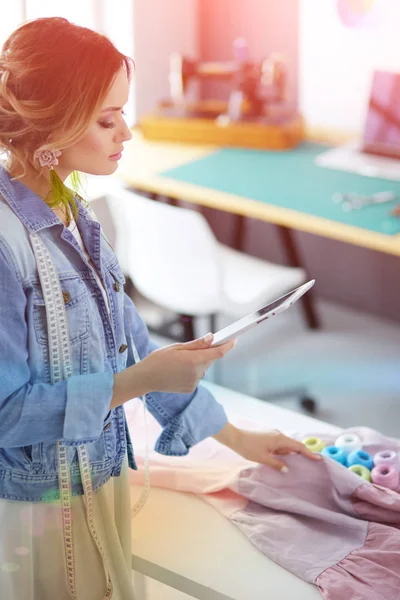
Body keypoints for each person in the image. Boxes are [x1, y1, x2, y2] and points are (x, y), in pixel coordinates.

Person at [0, 17, 320, 600]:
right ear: (54, 126)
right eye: (106, 119)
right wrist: (138, 381)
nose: (127, 131)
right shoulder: (6, 245)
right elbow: (7, 413)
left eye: (124, 111)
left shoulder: (74, 214)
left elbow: (136, 345)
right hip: (35, 511)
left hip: (95, 480)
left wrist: (240, 437)